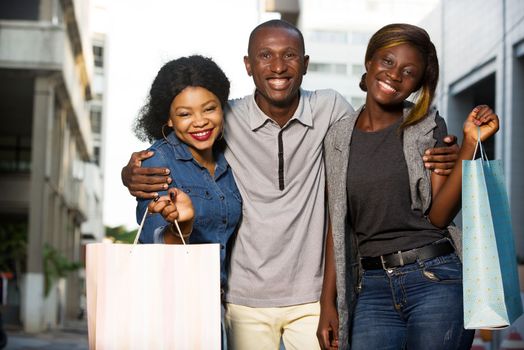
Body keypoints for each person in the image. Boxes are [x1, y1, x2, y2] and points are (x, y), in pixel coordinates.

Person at [122, 20, 460, 350]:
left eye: (290, 55)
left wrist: (439, 146)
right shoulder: (226, 117)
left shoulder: (331, 109)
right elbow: (182, 139)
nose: (279, 66)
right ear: (248, 65)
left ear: (306, 63)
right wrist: (131, 172)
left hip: (313, 297)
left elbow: (379, 132)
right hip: (244, 297)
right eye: (265, 55)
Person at [318, 23, 499, 350]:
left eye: (409, 71)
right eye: (387, 61)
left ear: (418, 83)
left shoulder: (427, 126)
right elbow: (337, 225)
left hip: (435, 279)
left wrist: (471, 142)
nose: (394, 75)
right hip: (370, 288)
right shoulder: (337, 138)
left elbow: (441, 216)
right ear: (370, 61)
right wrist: (327, 303)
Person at [133, 55, 242, 348]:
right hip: (169, 309)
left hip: (213, 308)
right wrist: (184, 225)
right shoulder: (159, 161)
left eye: (209, 109)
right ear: (168, 118)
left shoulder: (229, 162)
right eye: (184, 114)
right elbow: (156, 247)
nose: (200, 122)